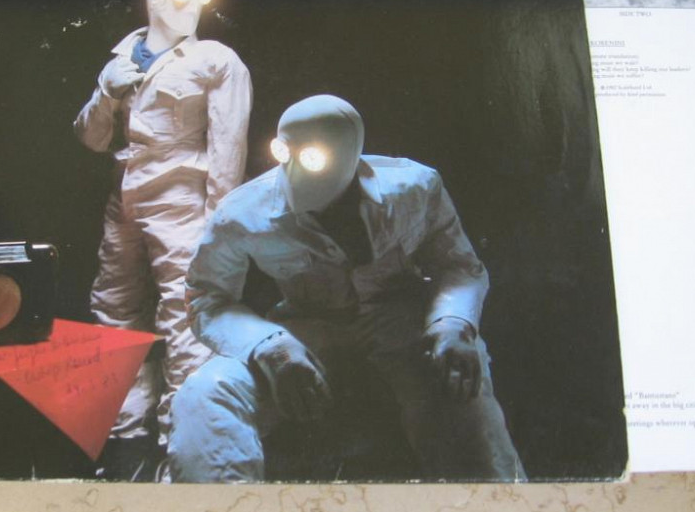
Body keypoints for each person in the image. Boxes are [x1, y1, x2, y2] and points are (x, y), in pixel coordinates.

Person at [167, 95, 525, 482]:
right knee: (205, 394)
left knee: (460, 389)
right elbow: (206, 297)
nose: (295, 168)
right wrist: (269, 346)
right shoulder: (242, 213)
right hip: (306, 333)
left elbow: (458, 265)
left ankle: (494, 506)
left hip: (404, 326)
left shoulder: (415, 189)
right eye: (284, 151)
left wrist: (453, 323)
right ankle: (219, 511)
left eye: (312, 156)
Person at [74, 0, 252, 478]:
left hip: (182, 199)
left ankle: (182, 447)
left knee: (185, 319)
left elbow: (228, 150)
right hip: (124, 197)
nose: (192, 5)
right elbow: (91, 138)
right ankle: (126, 443)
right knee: (113, 313)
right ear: (154, 1)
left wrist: (219, 227)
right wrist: (107, 92)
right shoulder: (122, 59)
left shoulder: (215, 60)